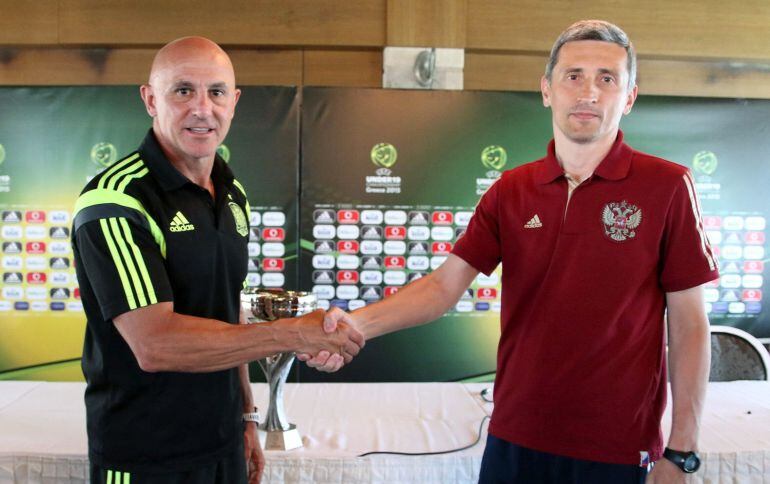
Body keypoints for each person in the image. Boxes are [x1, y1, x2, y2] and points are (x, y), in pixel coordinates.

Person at [303, 20, 718, 483]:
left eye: (607, 79)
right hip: (516, 437)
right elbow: (442, 287)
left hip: (617, 446)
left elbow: (689, 324)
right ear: (547, 90)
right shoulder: (511, 189)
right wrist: (355, 324)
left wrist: (682, 451)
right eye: (573, 75)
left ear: (629, 96)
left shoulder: (666, 185)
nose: (589, 92)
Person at [72, 37, 363, 484]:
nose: (202, 108)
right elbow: (155, 344)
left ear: (235, 101)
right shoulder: (117, 199)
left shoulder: (232, 194)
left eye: (217, 92)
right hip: (145, 456)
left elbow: (226, 317)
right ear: (151, 99)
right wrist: (291, 333)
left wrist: (246, 416)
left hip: (223, 444)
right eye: (183, 90)